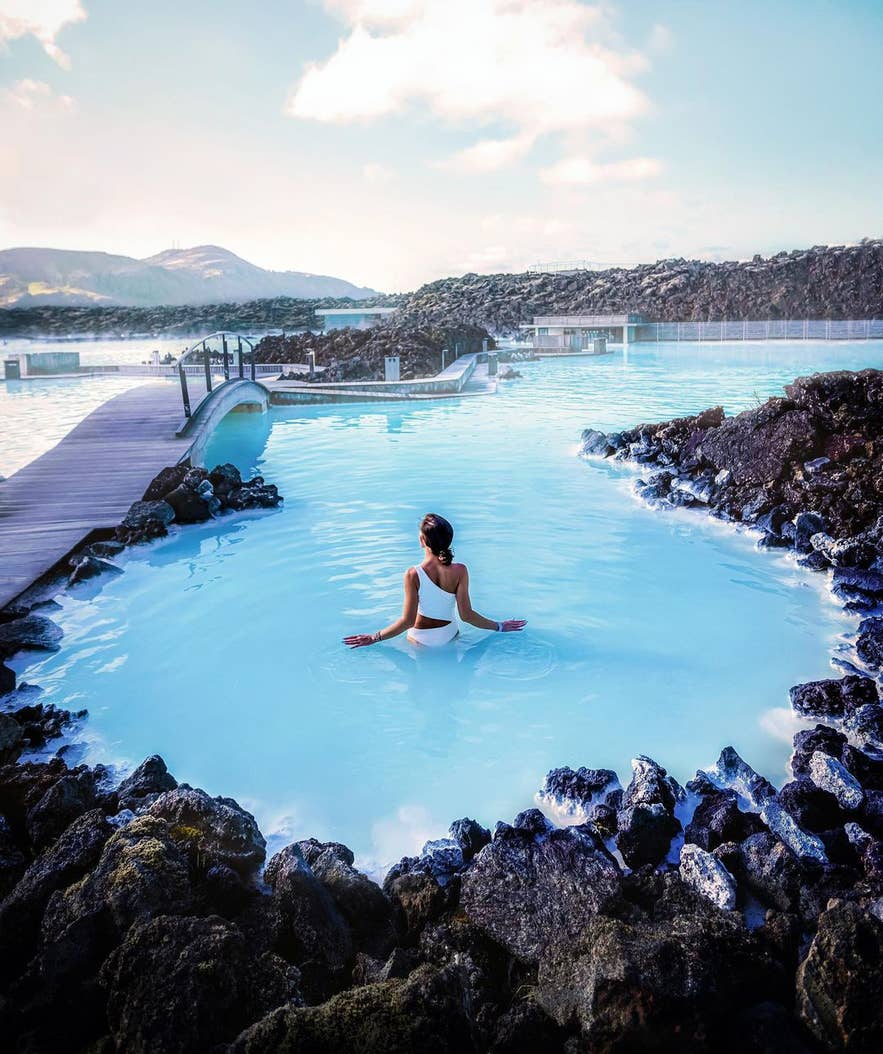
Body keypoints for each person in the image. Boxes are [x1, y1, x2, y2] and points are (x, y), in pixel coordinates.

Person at [343, 513, 527, 649]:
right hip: (450, 634)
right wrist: (500, 626)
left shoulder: (413, 574)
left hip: (420, 639)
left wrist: (374, 637)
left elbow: (407, 621)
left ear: (422, 540)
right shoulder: (460, 570)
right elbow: (467, 615)